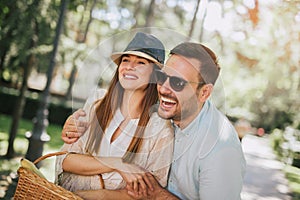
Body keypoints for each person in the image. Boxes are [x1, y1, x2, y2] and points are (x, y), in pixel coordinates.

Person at [62, 42, 246, 200]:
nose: (164, 89)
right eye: (162, 77)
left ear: (204, 92)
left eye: (178, 83)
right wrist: (73, 124)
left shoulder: (220, 151)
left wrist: (156, 194)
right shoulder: (169, 111)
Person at [55, 32, 174, 199]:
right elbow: (66, 160)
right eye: (126, 60)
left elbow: (147, 193)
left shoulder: (160, 130)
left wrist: (85, 196)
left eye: (140, 62)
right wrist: (117, 164)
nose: (130, 66)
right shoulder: (97, 102)